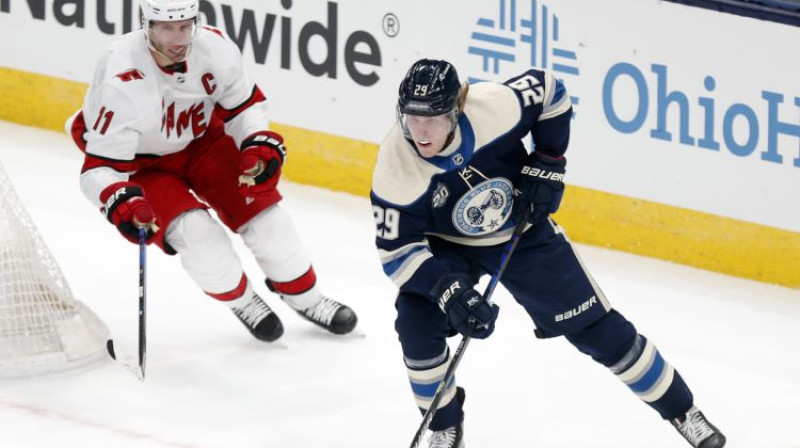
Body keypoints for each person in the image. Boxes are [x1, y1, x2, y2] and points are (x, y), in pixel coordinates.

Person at [370, 59, 726, 448]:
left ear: (457, 109)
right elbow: (397, 251)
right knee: (416, 324)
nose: (420, 132)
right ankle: (444, 425)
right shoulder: (394, 165)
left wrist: (550, 160)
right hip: (446, 248)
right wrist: (447, 290)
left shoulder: (494, 106)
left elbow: (550, 90)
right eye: (411, 119)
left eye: (433, 119)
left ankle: (682, 410)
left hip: (522, 232)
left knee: (597, 329)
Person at [66, 0, 357, 342]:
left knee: (269, 221)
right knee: (198, 236)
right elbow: (97, 170)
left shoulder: (214, 48)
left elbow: (244, 108)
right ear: (146, 24)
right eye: (165, 27)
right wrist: (118, 201)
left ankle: (307, 298)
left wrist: (255, 142)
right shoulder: (121, 75)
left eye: (185, 25)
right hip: (141, 164)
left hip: (202, 141)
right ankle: (244, 302)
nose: (178, 38)